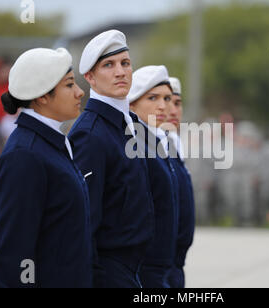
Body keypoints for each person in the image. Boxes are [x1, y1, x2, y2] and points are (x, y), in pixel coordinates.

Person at [0, 47, 92, 288]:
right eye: (69, 85)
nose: (79, 92)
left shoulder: (48, 144)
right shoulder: (26, 156)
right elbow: (13, 257)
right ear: (42, 95)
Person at [68, 30, 155, 288]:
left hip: (132, 268)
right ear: (90, 77)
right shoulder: (89, 134)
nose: (120, 72)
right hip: (107, 271)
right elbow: (85, 220)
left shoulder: (127, 124)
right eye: (109, 65)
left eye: (125, 63)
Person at [128, 65, 179, 288]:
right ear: (132, 103)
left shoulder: (156, 142)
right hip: (145, 268)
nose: (163, 106)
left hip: (165, 265)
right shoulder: (134, 145)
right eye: (152, 98)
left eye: (168, 98)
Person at [164, 77, 196, 288]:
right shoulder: (145, 151)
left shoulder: (174, 146)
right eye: (167, 102)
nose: (173, 111)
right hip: (161, 265)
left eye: (177, 103)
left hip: (176, 263)